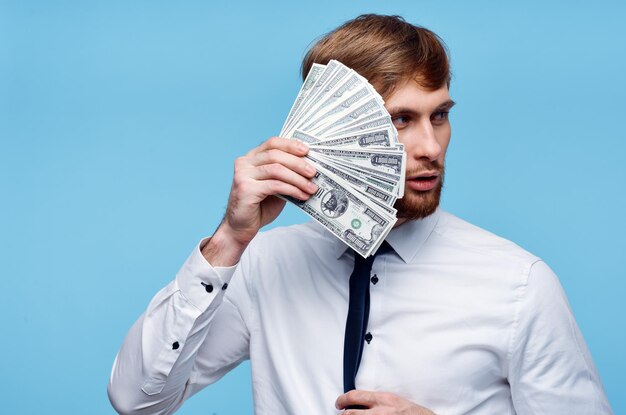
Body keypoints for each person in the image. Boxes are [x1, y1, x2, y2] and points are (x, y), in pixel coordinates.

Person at [108, 14, 613, 415]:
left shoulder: (519, 285)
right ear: (332, 130)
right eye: (401, 120)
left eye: (440, 115)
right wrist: (227, 242)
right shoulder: (265, 265)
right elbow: (137, 401)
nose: (430, 146)